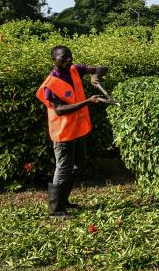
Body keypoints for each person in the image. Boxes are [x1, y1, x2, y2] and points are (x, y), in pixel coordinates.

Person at [35, 46, 109, 218]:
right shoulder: (51, 84)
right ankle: (56, 210)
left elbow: (102, 67)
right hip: (63, 132)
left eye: (70, 56)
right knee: (63, 168)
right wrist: (88, 102)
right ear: (54, 60)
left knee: (78, 164)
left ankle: (64, 200)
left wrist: (95, 76)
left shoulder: (75, 70)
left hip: (77, 129)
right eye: (63, 57)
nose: (68, 59)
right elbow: (59, 110)